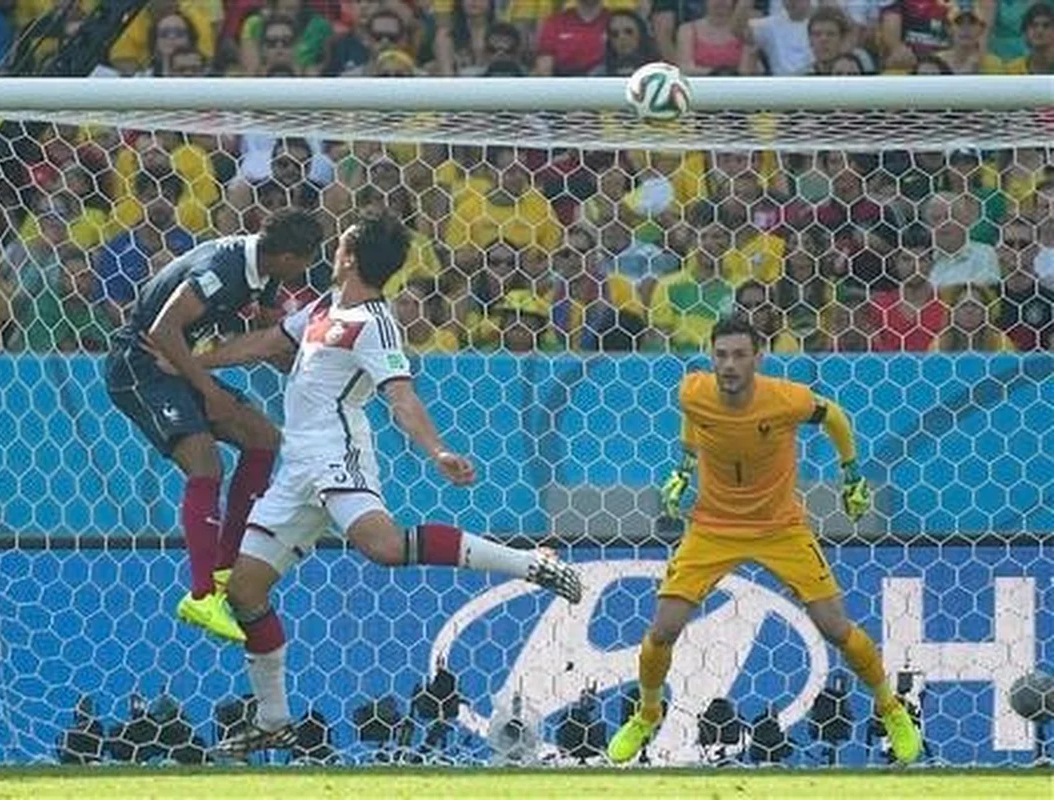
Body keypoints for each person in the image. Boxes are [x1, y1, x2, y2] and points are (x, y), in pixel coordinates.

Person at [157, 209, 582, 751]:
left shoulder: (376, 323)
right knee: (244, 591)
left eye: (341, 243)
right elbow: (264, 344)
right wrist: (194, 363)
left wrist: (437, 450)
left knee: (382, 547)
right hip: (297, 468)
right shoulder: (320, 308)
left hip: (339, 452)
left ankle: (532, 564)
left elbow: (399, 395)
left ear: (352, 256)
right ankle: (272, 720)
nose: (333, 249)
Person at [606, 315, 923, 766]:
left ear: (759, 357)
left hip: (780, 528)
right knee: (662, 630)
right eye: (721, 355)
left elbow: (833, 414)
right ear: (711, 357)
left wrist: (851, 472)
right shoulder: (692, 390)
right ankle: (648, 713)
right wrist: (684, 465)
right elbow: (695, 420)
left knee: (835, 627)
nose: (729, 365)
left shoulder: (786, 399)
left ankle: (891, 709)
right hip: (713, 527)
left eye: (739, 355)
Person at [105, 209, 324, 643]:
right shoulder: (222, 268)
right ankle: (203, 596)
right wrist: (209, 391)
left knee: (263, 438)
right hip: (139, 366)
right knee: (206, 466)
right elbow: (165, 328)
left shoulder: (263, 272)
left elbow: (267, 336)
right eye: (305, 259)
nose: (307, 268)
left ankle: (225, 568)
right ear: (284, 255)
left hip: (175, 365)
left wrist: (302, 358)